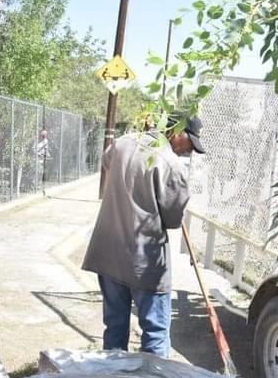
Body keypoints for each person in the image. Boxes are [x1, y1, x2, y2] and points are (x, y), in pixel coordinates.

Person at [81, 113, 207, 357]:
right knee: (155, 333)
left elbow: (107, 162)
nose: (189, 150)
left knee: (114, 327)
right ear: (176, 131)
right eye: (189, 142)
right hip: (145, 261)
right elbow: (173, 220)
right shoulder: (171, 165)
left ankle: (114, 376)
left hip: (108, 253)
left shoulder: (124, 142)